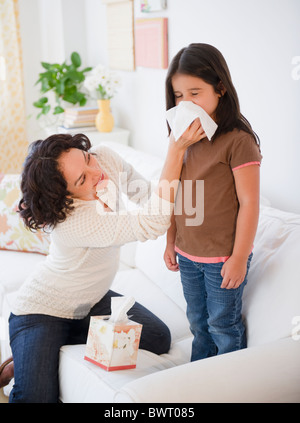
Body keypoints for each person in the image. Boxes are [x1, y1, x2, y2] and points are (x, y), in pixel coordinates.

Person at [2, 128, 206, 403]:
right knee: (36, 398)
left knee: (158, 338)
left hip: (91, 301)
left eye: (87, 158)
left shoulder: (105, 159)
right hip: (41, 311)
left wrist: (181, 228)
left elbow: (147, 196)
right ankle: (33, 347)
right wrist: (176, 149)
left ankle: (38, 351)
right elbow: (151, 222)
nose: (96, 171)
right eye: (82, 178)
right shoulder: (74, 221)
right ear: (65, 197)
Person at [163, 43, 262, 362]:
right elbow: (175, 193)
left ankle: (229, 385)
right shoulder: (181, 140)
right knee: (198, 324)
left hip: (223, 258)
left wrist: (238, 257)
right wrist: (170, 240)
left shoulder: (238, 140)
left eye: (195, 93)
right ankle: (198, 377)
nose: (185, 103)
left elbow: (249, 203)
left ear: (220, 88)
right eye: (179, 96)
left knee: (223, 325)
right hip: (187, 255)